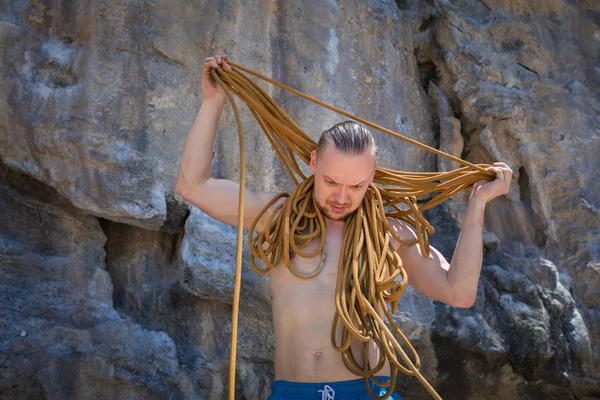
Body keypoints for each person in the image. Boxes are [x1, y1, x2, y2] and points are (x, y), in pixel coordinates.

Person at [175, 55, 513, 400]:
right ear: (312, 164)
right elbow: (192, 185)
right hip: (294, 392)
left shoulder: (388, 233)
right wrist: (212, 101)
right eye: (331, 181)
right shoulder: (277, 216)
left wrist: (478, 204)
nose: (341, 196)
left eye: (356, 186)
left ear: (372, 176)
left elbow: (458, 292)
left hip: (368, 392)